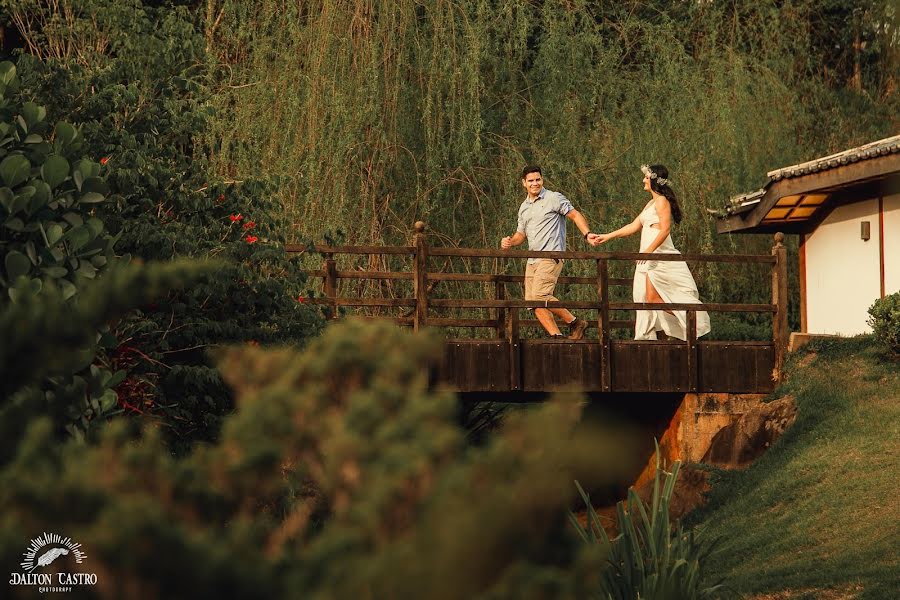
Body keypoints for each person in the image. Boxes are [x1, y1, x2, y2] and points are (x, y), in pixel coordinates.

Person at [589, 164, 710, 341]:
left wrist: (648, 252)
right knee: (646, 299)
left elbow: (665, 230)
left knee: (652, 299)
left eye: (646, 177)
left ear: (653, 180)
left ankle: (689, 318)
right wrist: (607, 236)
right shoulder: (650, 203)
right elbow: (633, 226)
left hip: (658, 256)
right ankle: (650, 336)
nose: (643, 180)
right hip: (647, 258)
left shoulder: (662, 201)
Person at [500, 165, 596, 340]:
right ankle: (557, 337)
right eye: (531, 181)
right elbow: (521, 234)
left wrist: (587, 234)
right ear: (524, 183)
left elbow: (575, 215)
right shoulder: (524, 207)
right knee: (533, 303)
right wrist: (510, 242)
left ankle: (575, 323)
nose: (535, 183)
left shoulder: (554, 198)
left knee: (540, 295)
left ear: (542, 180)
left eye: (538, 179)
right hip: (532, 260)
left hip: (551, 256)